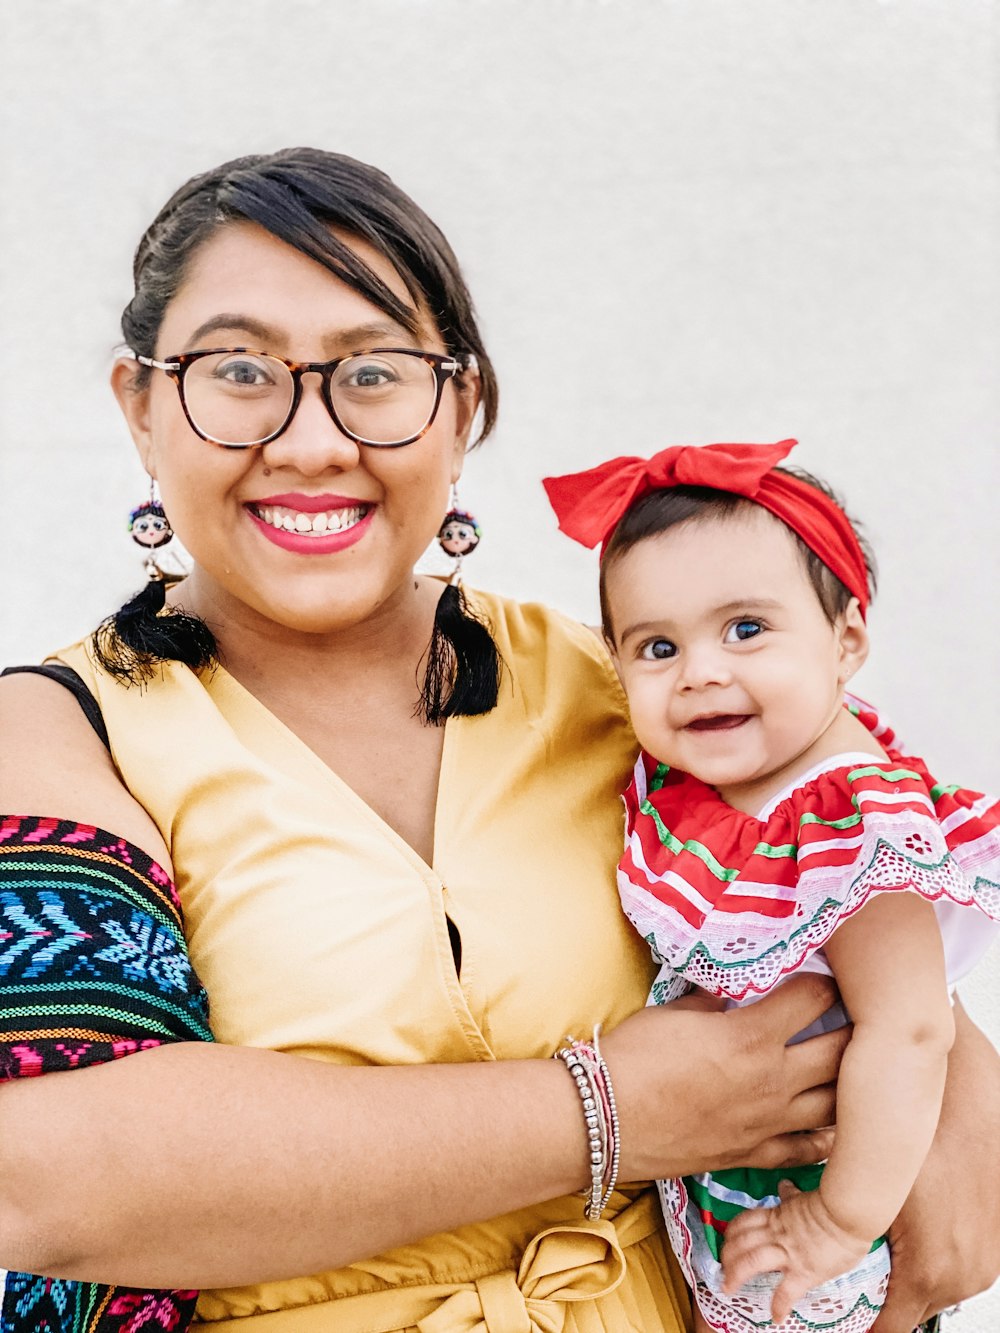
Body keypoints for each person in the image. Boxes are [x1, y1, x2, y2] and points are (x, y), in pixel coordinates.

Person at [0, 151, 995, 1333]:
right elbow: (46, 1170)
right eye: (238, 372)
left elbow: (875, 965)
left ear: (461, 409)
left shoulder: (625, 688)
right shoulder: (63, 730)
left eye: (373, 374)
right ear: (141, 406)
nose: (311, 440)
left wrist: (947, 1122)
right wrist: (611, 1109)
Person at [543, 438, 1000, 1332]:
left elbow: (910, 1025)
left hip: (823, 1212)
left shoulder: (848, 819)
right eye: (657, 645)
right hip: (729, 1183)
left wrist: (839, 1221)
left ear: (847, 640)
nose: (701, 671)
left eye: (746, 629)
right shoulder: (702, 788)